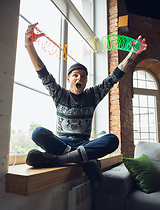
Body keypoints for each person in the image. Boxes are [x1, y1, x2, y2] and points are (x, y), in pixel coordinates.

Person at [25, 23, 147, 191]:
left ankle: (58, 159)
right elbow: (42, 72)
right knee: (37, 132)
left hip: (83, 144)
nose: (79, 78)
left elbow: (114, 76)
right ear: (69, 79)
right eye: (75, 75)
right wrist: (29, 45)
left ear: (86, 80)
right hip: (65, 143)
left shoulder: (92, 95)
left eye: (83, 76)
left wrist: (132, 54)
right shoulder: (59, 94)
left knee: (112, 139)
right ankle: (84, 160)